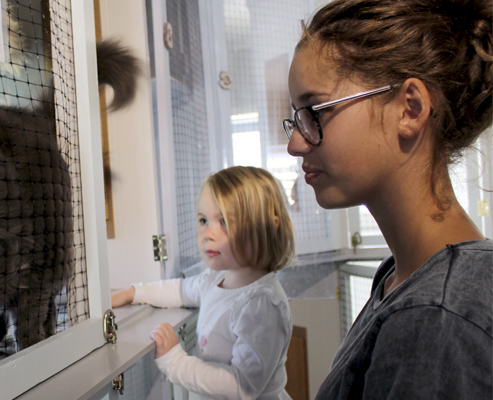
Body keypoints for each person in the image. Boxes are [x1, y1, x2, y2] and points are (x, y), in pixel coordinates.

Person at [283, 0, 492, 398]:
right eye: (297, 118)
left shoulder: (436, 317)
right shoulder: (398, 275)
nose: (295, 143)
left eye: (315, 112)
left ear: (409, 109)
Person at [112, 166, 296, 400]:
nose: (207, 234)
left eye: (225, 222)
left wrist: (174, 362)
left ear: (268, 227)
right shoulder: (216, 280)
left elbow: (242, 387)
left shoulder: (262, 304)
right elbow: (178, 290)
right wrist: (133, 292)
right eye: (203, 220)